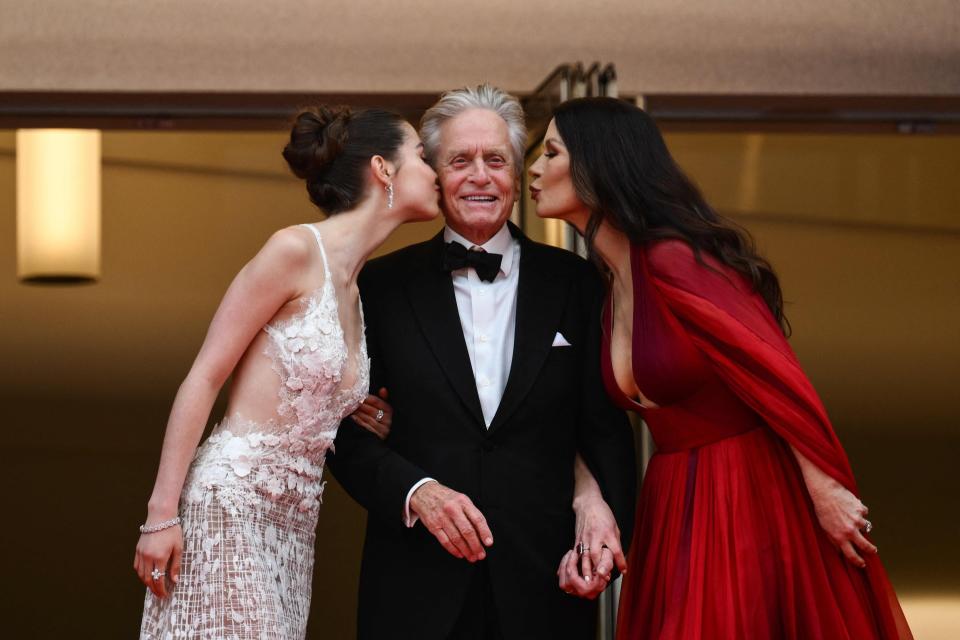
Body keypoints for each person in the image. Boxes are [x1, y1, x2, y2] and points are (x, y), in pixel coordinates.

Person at [529, 96, 913, 639]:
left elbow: (776, 375)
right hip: (673, 501)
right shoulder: (609, 286)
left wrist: (825, 489)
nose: (536, 169)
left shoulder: (675, 258)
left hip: (749, 494)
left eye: (551, 152)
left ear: (598, 164)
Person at [328, 85, 637, 639]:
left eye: (496, 160)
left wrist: (605, 541)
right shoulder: (378, 286)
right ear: (434, 175)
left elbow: (606, 430)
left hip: (547, 586)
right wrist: (417, 490)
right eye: (460, 161)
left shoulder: (578, 283)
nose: (479, 176)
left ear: (517, 177)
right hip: (413, 588)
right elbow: (341, 436)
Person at [134, 105, 441, 639]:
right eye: (421, 154)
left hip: (294, 525)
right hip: (232, 503)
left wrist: (362, 409)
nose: (436, 170)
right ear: (383, 169)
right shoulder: (295, 249)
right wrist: (161, 515)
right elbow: (205, 376)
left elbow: (305, 392)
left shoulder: (355, 290)